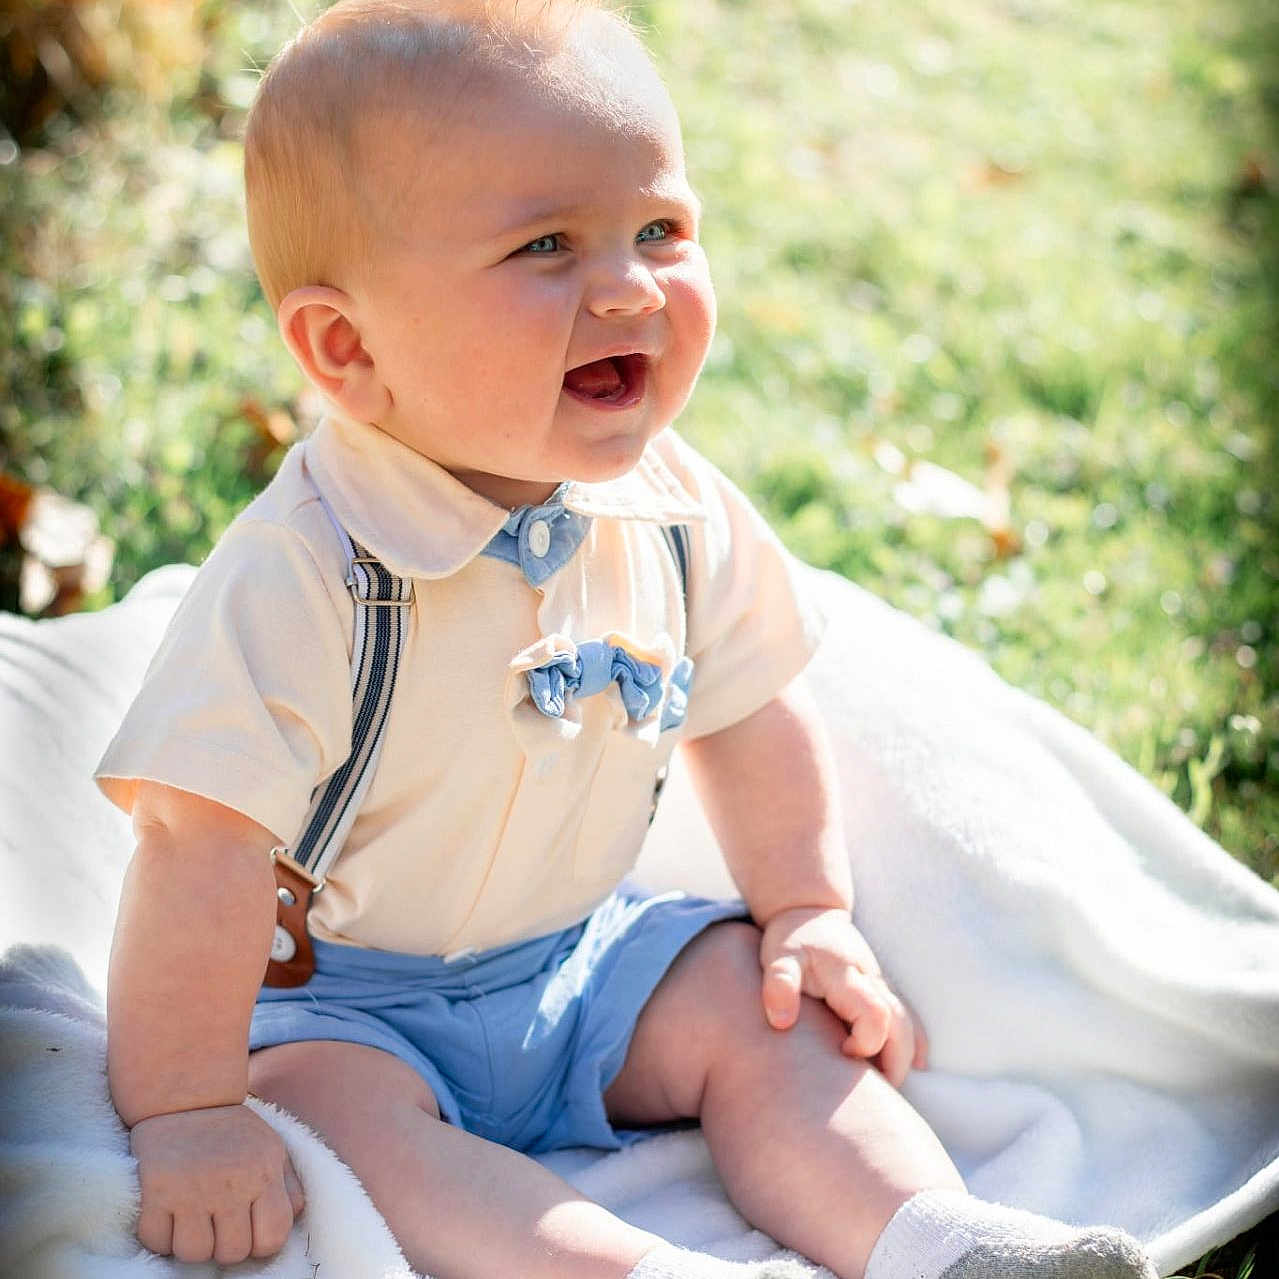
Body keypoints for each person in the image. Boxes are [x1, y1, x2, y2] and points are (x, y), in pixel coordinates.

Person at [96, 2, 1159, 1276]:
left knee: (763, 1015)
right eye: (545, 245)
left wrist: (805, 907)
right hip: (346, 1006)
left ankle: (941, 1244)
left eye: (659, 228)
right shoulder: (304, 573)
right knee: (339, 1128)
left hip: (577, 959)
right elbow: (199, 848)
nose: (628, 285)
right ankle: (636, 1269)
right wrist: (189, 1110)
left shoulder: (668, 508)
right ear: (347, 346)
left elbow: (754, 707)